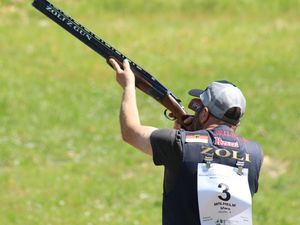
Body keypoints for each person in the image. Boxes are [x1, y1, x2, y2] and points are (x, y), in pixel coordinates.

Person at [109, 58, 264, 225]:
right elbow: (202, 163)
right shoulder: (254, 153)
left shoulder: (180, 145)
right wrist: (186, 132)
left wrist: (128, 86)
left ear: (204, 114)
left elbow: (130, 132)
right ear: (237, 123)